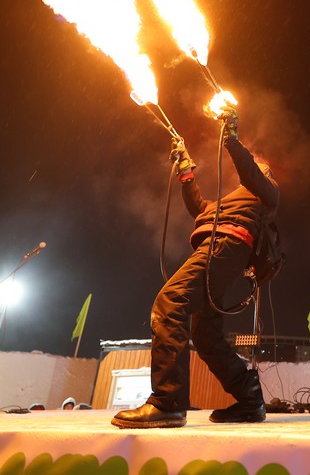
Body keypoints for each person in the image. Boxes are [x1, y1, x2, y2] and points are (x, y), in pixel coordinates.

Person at [111, 105, 279, 429]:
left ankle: (168, 402)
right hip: (218, 250)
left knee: (170, 302)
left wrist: (231, 139)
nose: (254, 165)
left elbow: (249, 170)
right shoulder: (228, 201)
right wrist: (187, 172)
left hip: (227, 247)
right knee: (205, 335)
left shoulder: (265, 193)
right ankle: (250, 399)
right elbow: (199, 209)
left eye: (257, 165)